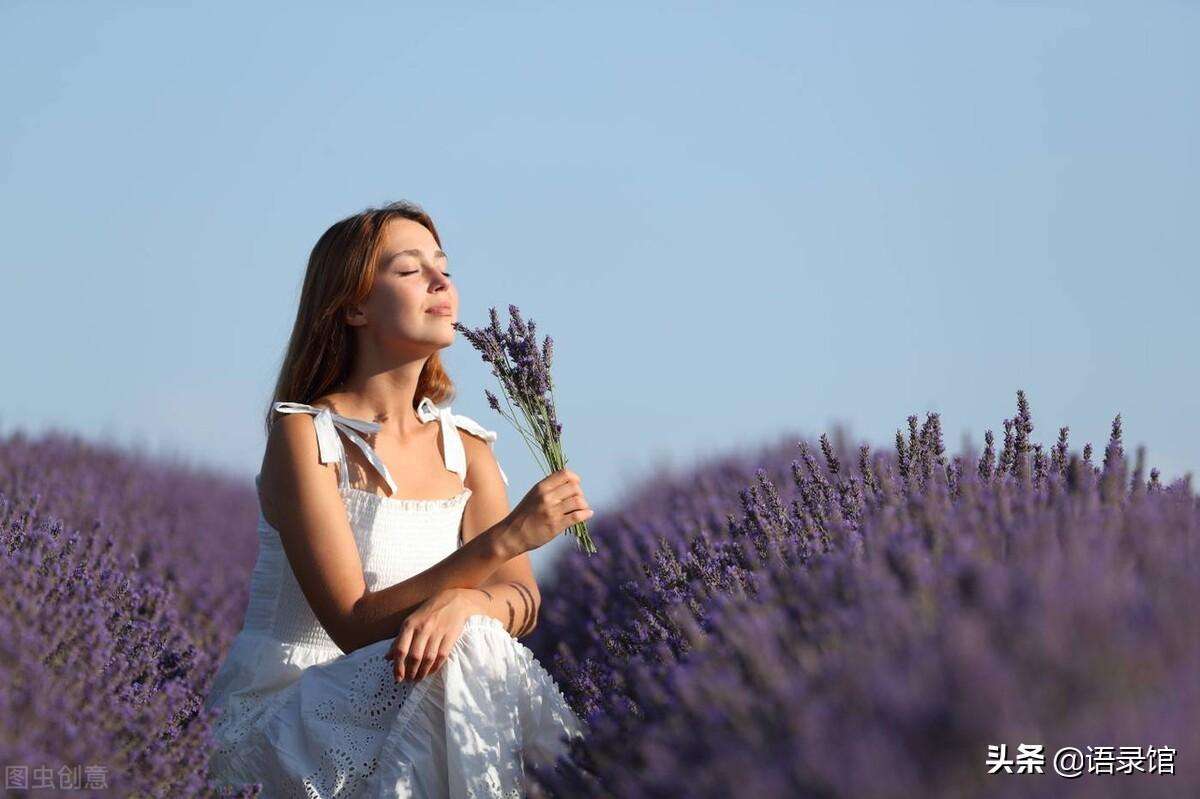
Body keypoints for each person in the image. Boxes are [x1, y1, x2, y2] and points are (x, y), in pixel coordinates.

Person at [204, 200, 593, 797]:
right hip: (290, 718)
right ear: (354, 306)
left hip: (409, 697)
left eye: (444, 267)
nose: (441, 281)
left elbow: (522, 600)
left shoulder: (467, 449)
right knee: (467, 652)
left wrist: (465, 607)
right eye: (411, 271)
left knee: (473, 639)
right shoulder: (305, 436)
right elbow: (355, 626)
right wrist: (506, 539)